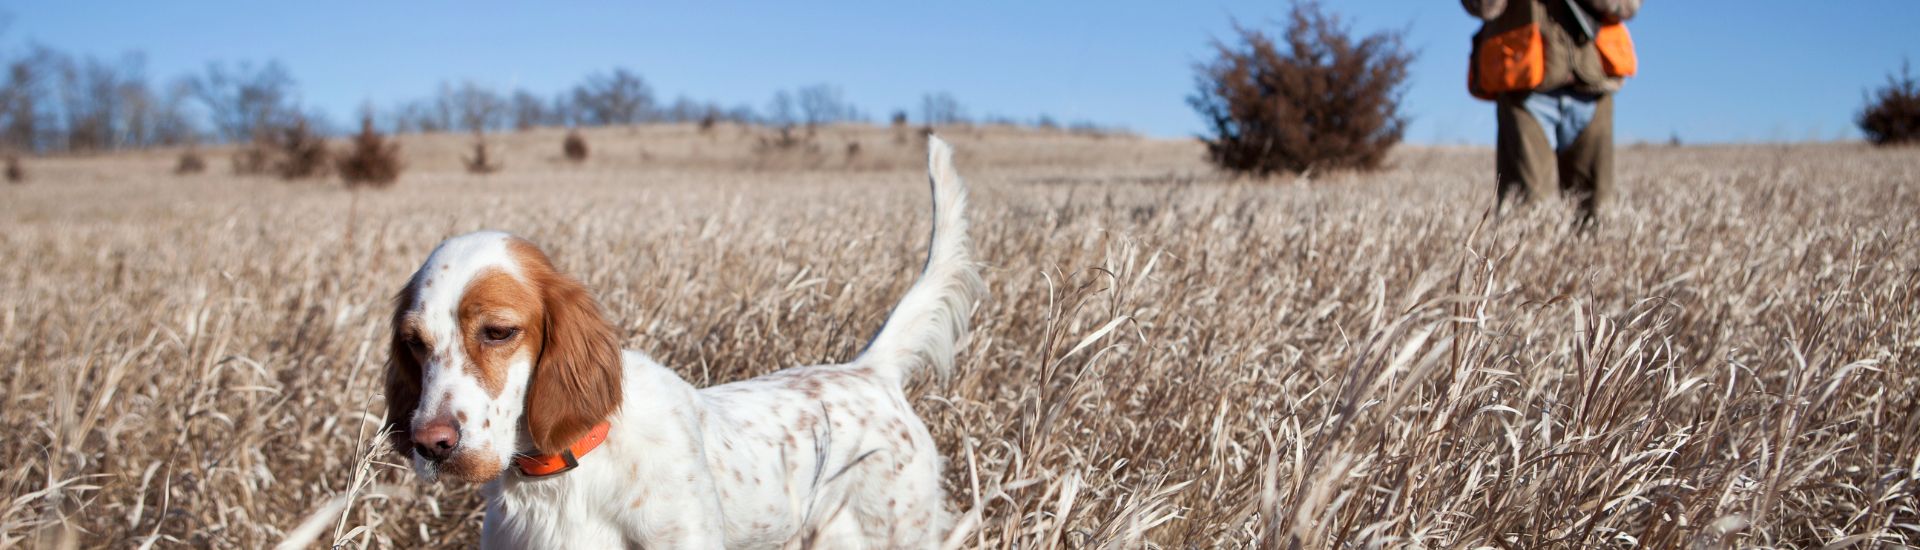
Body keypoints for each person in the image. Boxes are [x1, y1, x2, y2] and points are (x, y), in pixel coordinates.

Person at [1463, 0, 1640, 224]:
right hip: (1524, 90)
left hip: (1593, 83)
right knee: (1525, 215)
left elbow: (1629, 6)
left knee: (1598, 215)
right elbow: (1482, 7)